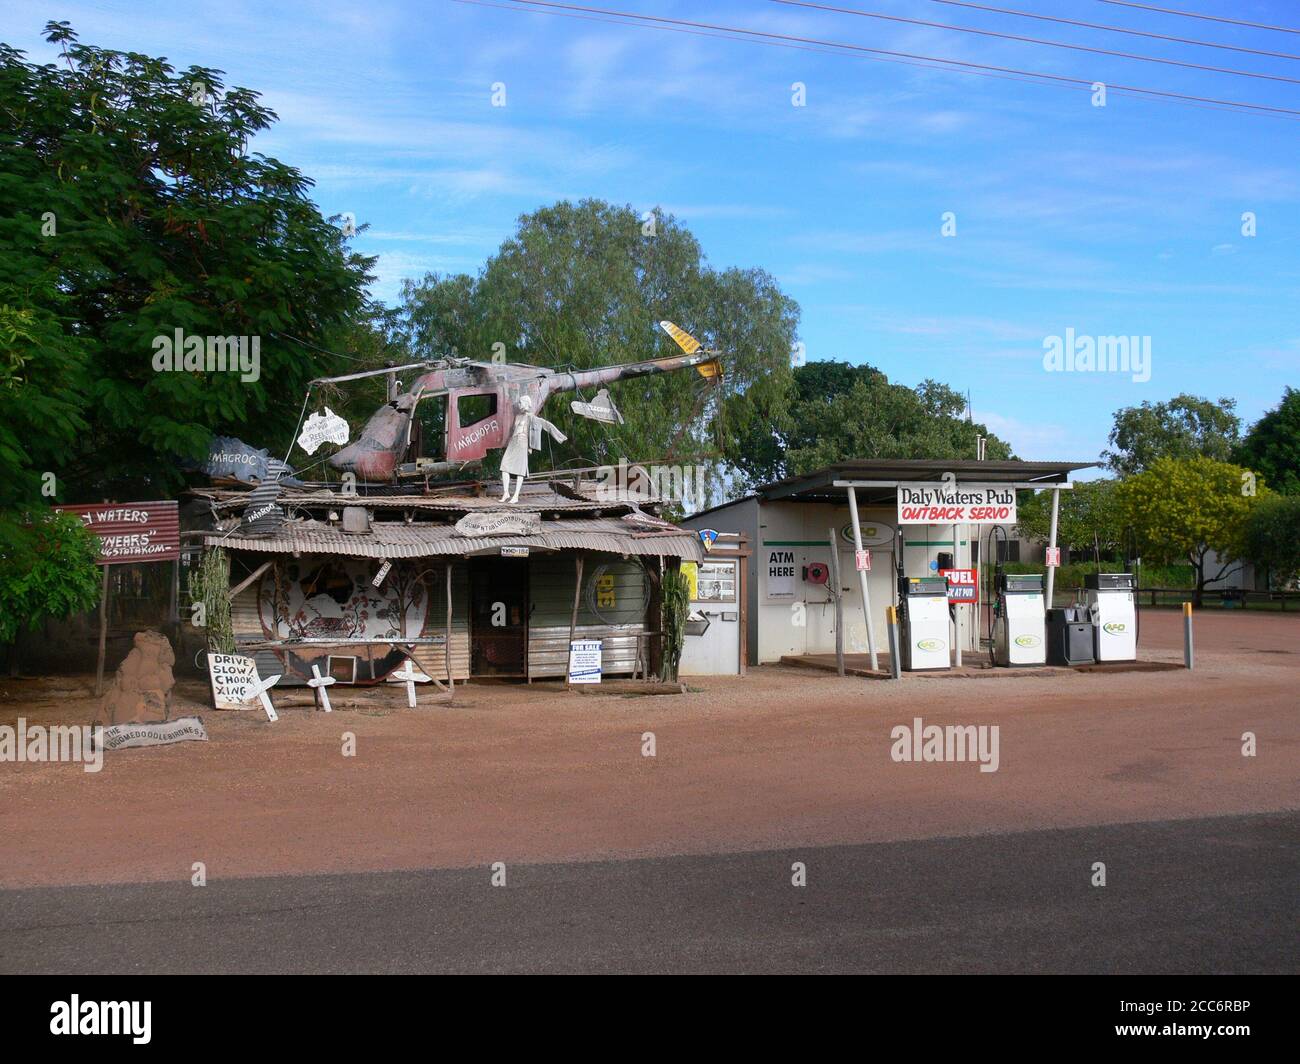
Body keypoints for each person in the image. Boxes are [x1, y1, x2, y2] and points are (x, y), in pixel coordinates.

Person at [500, 394, 567, 503]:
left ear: (526, 404)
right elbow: (512, 430)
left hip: (523, 443)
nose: (519, 404)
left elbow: (546, 425)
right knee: (504, 466)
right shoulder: (517, 416)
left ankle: (516, 495)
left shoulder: (531, 417)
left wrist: (559, 436)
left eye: (521, 402)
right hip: (513, 443)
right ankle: (506, 492)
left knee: (520, 470)